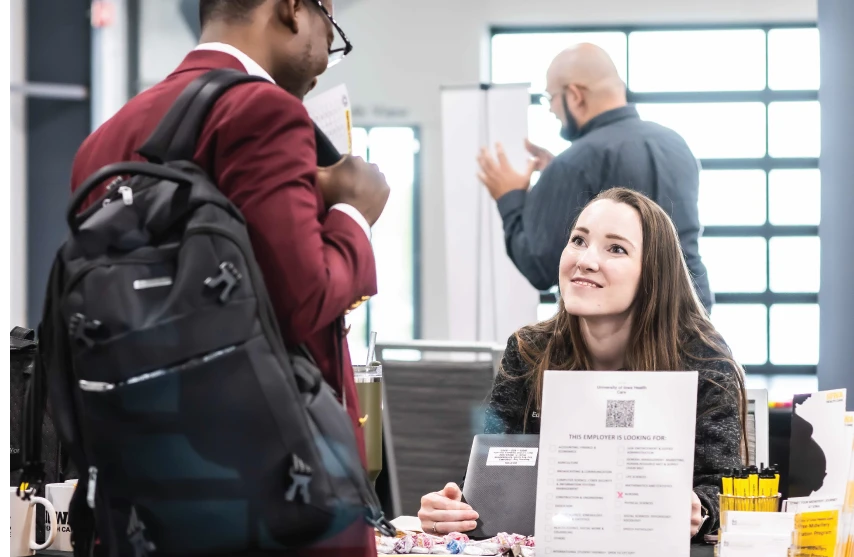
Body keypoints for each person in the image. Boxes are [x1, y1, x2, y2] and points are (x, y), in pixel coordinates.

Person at [69, 1, 388, 555]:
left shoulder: (107, 137)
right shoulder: (265, 110)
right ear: (292, 8)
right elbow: (301, 300)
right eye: (330, 27)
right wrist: (354, 215)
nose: (325, 52)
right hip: (275, 500)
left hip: (143, 497)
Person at [418, 187, 747, 541]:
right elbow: (491, 472)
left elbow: (726, 489)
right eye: (578, 240)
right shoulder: (529, 351)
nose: (586, 260)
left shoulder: (705, 362)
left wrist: (701, 508)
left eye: (616, 248)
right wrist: (452, 509)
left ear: (653, 274)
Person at [477, 43, 714, 312]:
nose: (552, 109)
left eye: (550, 97)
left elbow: (539, 267)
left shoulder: (576, 162)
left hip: (624, 332)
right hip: (692, 317)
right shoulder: (675, 143)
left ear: (575, 95)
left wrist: (509, 197)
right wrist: (558, 178)